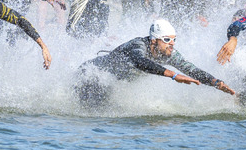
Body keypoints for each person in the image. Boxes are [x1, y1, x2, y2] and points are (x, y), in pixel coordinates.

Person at [74, 19, 234, 108]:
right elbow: (140, 62)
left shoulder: (168, 53)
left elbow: (190, 69)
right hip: (91, 75)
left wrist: (216, 82)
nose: (171, 44)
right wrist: (173, 75)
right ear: (154, 40)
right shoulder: (139, 45)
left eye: (173, 40)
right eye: (166, 40)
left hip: (109, 83)